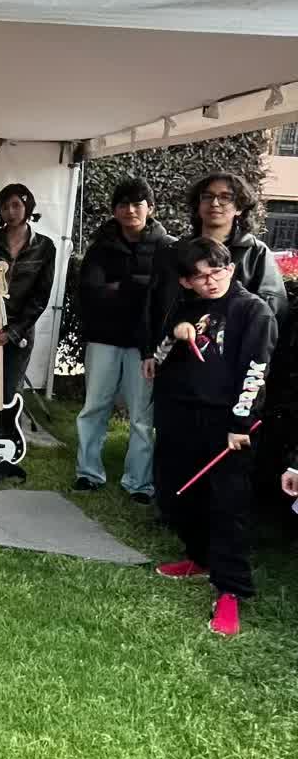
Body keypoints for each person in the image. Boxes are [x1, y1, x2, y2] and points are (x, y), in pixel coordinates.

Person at [147, 237, 277, 636]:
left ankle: (230, 589)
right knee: (176, 491)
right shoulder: (185, 306)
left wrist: (241, 424)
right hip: (180, 414)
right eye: (199, 277)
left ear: (232, 269)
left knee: (227, 505)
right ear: (186, 282)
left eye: (217, 271)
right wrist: (175, 336)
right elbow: (156, 360)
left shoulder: (253, 311)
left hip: (227, 424)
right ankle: (198, 557)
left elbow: (257, 372)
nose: (210, 282)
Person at [73, 177, 173, 502]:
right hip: (103, 338)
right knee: (94, 407)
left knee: (142, 415)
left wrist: (119, 287)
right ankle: (88, 473)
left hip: (145, 346)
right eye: (123, 204)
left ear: (150, 208)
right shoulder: (101, 246)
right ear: (115, 210)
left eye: (137, 203)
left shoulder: (166, 247)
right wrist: (136, 287)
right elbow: (89, 291)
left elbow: (163, 298)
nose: (130, 210)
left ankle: (139, 483)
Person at [165, 171, 288, 325]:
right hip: (178, 342)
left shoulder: (256, 252)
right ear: (198, 205)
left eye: (225, 197)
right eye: (207, 197)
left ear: (239, 208)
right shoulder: (176, 250)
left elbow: (272, 308)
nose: (214, 203)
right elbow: (159, 303)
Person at [0, 184, 56, 404]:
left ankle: (8, 436)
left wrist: (14, 331)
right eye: (4, 206)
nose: (10, 211)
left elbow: (41, 296)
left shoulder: (45, 247)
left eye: (16, 205)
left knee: (10, 391)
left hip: (21, 331)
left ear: (28, 206)